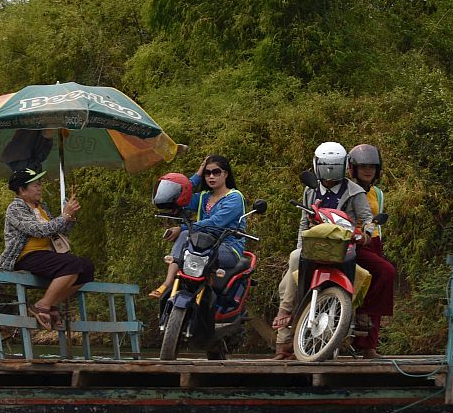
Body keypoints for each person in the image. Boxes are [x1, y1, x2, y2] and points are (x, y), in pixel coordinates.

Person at [270, 141, 374, 359]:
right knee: (290, 275)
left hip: (341, 247)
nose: (329, 172)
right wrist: (302, 246)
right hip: (314, 246)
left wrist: (367, 232)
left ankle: (351, 321)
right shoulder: (310, 190)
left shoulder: (354, 192)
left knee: (291, 279)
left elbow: (367, 218)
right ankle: (284, 336)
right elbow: (304, 222)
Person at [0, 166, 94, 329]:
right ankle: (42, 305)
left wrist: (70, 217)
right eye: (35, 185)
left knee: (87, 268)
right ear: (22, 190)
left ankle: (52, 303)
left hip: (45, 254)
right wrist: (64, 216)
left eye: (40, 184)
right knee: (73, 264)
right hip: (25, 256)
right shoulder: (15, 208)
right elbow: (39, 230)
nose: (40, 188)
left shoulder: (41, 207)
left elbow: (57, 230)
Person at [155, 155, 247, 297]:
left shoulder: (235, 197)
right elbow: (180, 196)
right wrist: (197, 175)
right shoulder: (203, 197)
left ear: (225, 174)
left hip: (227, 247)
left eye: (216, 172)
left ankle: (209, 295)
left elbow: (215, 222)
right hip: (201, 244)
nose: (211, 176)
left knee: (186, 234)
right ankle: (168, 281)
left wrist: (182, 228)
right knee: (185, 236)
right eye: (207, 173)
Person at [346, 143, 396, 358]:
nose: (368, 170)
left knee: (378, 286)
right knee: (386, 272)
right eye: (363, 166)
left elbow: (377, 222)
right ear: (353, 168)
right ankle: (363, 312)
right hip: (354, 242)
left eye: (372, 167)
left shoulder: (377, 193)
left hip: (374, 242)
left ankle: (369, 346)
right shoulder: (348, 189)